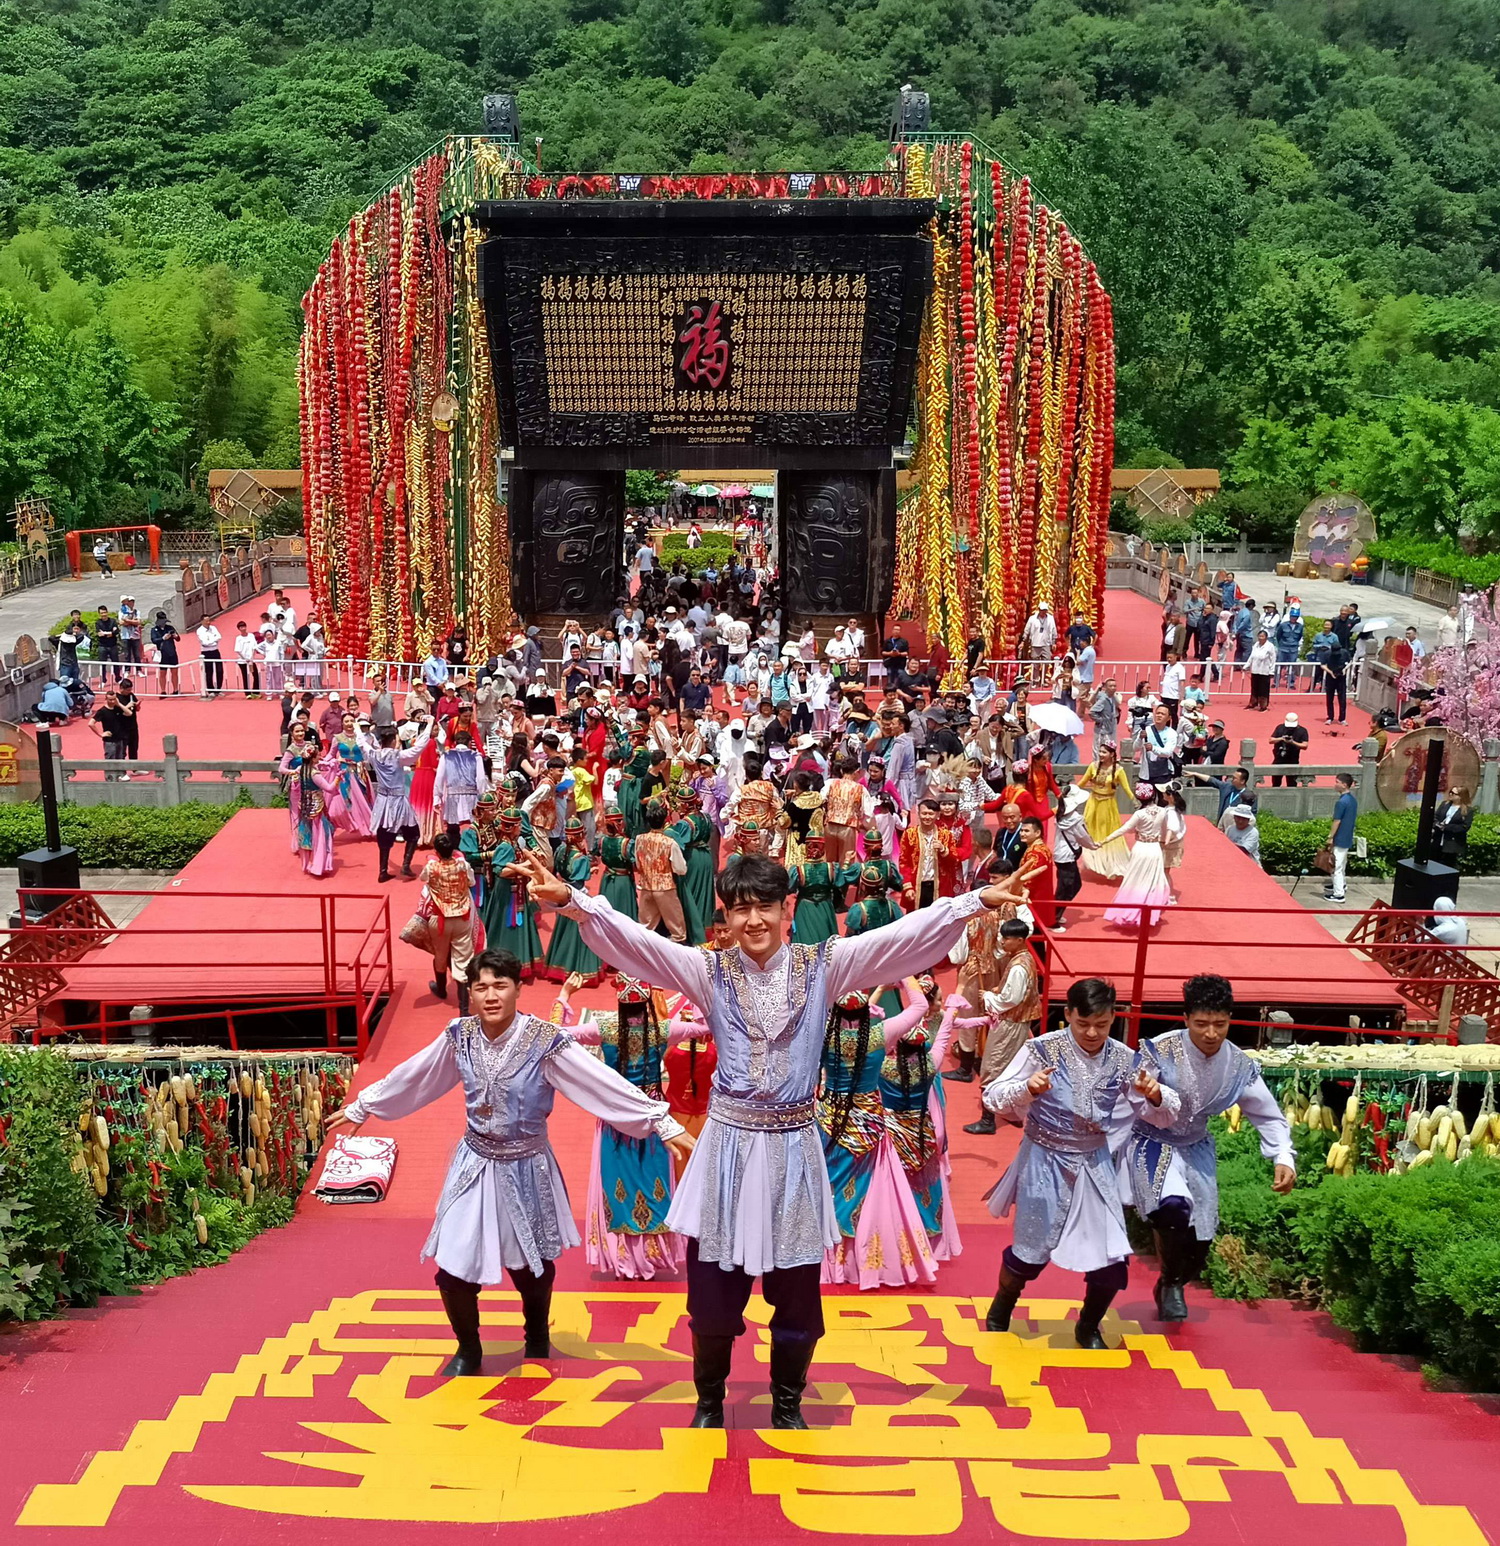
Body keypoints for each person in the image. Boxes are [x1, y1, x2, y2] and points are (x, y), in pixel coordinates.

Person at [512, 846, 1016, 1428]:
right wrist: (573, 902)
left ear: (787, 909)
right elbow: (641, 944)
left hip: (795, 1150)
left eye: (765, 907)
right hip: (726, 1149)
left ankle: (787, 1402)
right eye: (740, 909)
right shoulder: (708, 970)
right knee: (712, 1296)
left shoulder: (825, 965)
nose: (753, 921)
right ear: (726, 916)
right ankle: (709, 1401)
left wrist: (974, 902)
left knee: (797, 1295)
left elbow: (897, 939)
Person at [328, 949, 691, 1374]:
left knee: (530, 1266)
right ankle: (468, 1349)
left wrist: (658, 1121)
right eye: (480, 987)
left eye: (500, 986)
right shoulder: (460, 1035)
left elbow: (599, 1082)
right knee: (452, 1267)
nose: (490, 996)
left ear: (518, 989)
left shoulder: (544, 1041)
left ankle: (536, 1336)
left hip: (526, 1164)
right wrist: (365, 1104)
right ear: (470, 992)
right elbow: (417, 1074)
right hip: (474, 1162)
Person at [979, 977, 1178, 1348]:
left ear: (1113, 1017)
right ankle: (1003, 1304)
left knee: (1111, 1256)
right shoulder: (1041, 1050)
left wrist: (1155, 1094)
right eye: (1082, 1023)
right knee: (1030, 1252)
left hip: (1094, 1161)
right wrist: (1028, 1088)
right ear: (1068, 1014)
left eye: (1101, 1024)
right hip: (1044, 1161)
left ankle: (1088, 1325)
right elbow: (993, 1095)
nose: (1091, 1033)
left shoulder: (1123, 1058)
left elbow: (1163, 1112)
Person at [1121, 974, 1294, 1321]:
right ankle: (1171, 1285)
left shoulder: (1238, 1064)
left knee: (1200, 1243)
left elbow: (1267, 1114)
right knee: (1173, 1208)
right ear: (1186, 1019)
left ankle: (1171, 1280)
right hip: (1151, 1141)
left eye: (1220, 1024)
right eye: (1201, 1024)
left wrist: (1283, 1155)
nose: (1211, 1033)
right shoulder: (1159, 1050)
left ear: (1230, 1019)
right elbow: (1126, 1099)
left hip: (1196, 1145)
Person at [818, 983, 938, 1290]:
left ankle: (824, 1259)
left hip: (830, 1121)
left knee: (827, 1188)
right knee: (869, 1196)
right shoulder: (878, 1035)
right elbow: (920, 1007)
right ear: (866, 1014)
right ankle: (859, 1262)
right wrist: (904, 973)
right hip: (869, 1125)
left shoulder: (824, 1034)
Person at [959, 919, 1040, 1135]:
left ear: (1020, 940)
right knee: (1013, 1067)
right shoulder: (1025, 959)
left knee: (992, 1066)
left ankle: (988, 1121)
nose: (1003, 942)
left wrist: (988, 997)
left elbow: (1010, 999)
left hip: (1011, 1022)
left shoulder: (1018, 967)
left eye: (1007, 938)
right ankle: (1012, 1113)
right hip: (1020, 1021)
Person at [366, 717, 431, 881]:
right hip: (398, 800)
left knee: (384, 834)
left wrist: (357, 729)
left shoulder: (374, 754)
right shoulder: (399, 756)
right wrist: (429, 725)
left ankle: (383, 870)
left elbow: (362, 743)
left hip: (382, 800)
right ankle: (406, 865)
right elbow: (419, 747)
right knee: (413, 833)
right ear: (394, 740)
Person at [542, 820, 603, 985]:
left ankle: (559, 965)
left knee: (563, 930)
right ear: (580, 835)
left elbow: (560, 872)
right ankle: (579, 969)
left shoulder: (560, 850)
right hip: (577, 897)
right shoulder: (580, 857)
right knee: (580, 932)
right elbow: (579, 881)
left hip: (563, 893)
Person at [1103, 784, 1173, 929]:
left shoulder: (1139, 814)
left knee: (1134, 881)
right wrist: (1163, 841)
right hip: (1154, 849)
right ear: (1153, 795)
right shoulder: (1162, 811)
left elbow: (1124, 829)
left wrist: (1105, 840)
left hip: (1140, 849)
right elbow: (1165, 829)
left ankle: (1130, 911)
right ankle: (1149, 912)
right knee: (1154, 881)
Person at [279, 723, 337, 876]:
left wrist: (326, 763)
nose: (300, 734)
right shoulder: (291, 750)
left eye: (301, 731)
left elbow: (317, 760)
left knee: (309, 820)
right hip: (299, 786)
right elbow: (281, 769)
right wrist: (294, 772)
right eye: (297, 731)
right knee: (299, 816)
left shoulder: (309, 747)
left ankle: (310, 849)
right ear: (292, 734)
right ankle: (303, 845)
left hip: (308, 784)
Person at [634, 797, 689, 943]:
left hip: (646, 886)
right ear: (665, 821)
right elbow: (680, 869)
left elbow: (638, 863)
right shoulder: (670, 842)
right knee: (677, 931)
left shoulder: (639, 839)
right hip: (665, 888)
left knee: (645, 928)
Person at [1050, 781, 1097, 931]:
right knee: (1066, 889)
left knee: (1069, 886)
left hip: (1060, 854)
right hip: (1067, 857)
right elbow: (1083, 837)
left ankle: (1057, 913)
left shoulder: (1060, 813)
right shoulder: (1075, 818)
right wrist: (1093, 845)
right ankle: (1052, 919)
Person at [1079, 745, 1129, 880]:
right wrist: (1069, 793)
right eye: (1100, 751)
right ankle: (1091, 859)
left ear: (1112, 754)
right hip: (1093, 802)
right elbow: (1082, 782)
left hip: (1107, 804)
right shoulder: (1093, 766)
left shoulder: (1118, 770)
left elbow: (1126, 788)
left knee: (1106, 832)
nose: (1101, 754)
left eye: (1104, 752)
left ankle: (1109, 864)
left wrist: (1136, 801)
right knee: (1087, 829)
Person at [434, 730, 490, 841]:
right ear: (469, 742)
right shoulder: (476, 756)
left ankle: (453, 847)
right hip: (471, 795)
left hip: (452, 795)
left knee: (452, 827)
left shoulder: (446, 756)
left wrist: (437, 796)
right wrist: (482, 795)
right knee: (472, 825)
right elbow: (481, 778)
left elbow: (439, 777)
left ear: (455, 742)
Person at [88, 688, 130, 778]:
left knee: (121, 758)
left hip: (120, 738)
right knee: (110, 759)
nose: (112, 701)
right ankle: (110, 778)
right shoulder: (102, 711)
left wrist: (119, 704)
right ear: (106, 699)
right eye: (110, 699)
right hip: (110, 741)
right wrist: (100, 734)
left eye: (114, 699)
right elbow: (91, 723)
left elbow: (129, 713)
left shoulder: (117, 708)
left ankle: (121, 775)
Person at [1433, 784, 1473, 870]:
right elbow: (1435, 817)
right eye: (1450, 792)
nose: (1450, 794)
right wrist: (1437, 824)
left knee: (1447, 866)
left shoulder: (1467, 810)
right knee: (1434, 863)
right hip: (1438, 839)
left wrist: (1447, 827)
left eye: (1453, 793)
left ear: (1461, 796)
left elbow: (1464, 827)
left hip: (1452, 843)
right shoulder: (1444, 804)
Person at [1269, 711, 1308, 787]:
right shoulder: (1280, 728)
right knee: (1276, 783)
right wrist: (1281, 738)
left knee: (1292, 784)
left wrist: (1293, 742)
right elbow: (1271, 740)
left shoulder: (1302, 731)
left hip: (1293, 760)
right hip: (1278, 760)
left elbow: (1305, 745)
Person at [1247, 630, 1275, 710]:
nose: (1260, 638)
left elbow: (1273, 659)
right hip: (1255, 669)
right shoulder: (1256, 645)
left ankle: (1263, 705)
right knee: (1254, 688)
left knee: (1263, 689)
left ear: (1266, 637)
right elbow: (1252, 656)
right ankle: (1253, 703)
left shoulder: (1270, 646)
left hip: (1265, 670)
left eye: (1262, 636)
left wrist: (1271, 671)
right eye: (1259, 636)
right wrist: (1247, 665)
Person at [196, 620, 224, 697]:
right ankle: (210, 690)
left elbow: (219, 637)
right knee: (209, 671)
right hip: (206, 652)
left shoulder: (213, 628)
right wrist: (214, 640)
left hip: (215, 650)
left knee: (220, 670)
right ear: (202, 621)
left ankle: (218, 689)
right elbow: (204, 643)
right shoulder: (199, 631)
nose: (208, 622)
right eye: (206, 621)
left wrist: (211, 641)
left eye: (209, 620)